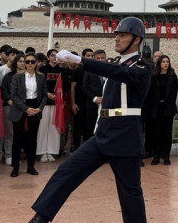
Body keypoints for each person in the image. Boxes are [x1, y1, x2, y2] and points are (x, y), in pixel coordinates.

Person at [30, 17, 151, 223]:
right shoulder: (117, 64)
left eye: (122, 35)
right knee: (67, 172)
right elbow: (110, 71)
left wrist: (81, 60)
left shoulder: (141, 67)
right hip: (103, 134)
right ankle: (41, 217)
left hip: (125, 138)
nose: (117, 38)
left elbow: (118, 72)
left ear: (137, 39)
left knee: (130, 193)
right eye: (116, 34)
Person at [8, 53, 47, 177]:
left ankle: (31, 166)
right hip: (20, 109)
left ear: (36, 63)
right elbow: (13, 95)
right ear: (24, 63)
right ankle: (15, 167)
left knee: (32, 139)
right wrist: (26, 109)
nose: (30, 64)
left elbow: (45, 95)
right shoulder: (17, 77)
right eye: (27, 61)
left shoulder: (41, 77)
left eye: (32, 61)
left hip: (35, 109)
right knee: (17, 139)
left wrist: (39, 109)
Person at [148, 55, 178, 165]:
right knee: (156, 133)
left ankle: (166, 156)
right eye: (163, 61)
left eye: (167, 62)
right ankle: (156, 156)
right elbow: (150, 93)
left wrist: (169, 103)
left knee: (167, 133)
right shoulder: (153, 76)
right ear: (159, 63)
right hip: (156, 108)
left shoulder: (172, 76)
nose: (166, 63)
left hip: (167, 109)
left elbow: (174, 93)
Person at [37, 49, 65, 162]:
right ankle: (42, 152)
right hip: (44, 102)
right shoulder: (42, 70)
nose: (54, 57)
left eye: (56, 55)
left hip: (57, 103)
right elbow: (40, 85)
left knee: (54, 128)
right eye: (52, 55)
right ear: (48, 57)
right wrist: (47, 94)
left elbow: (65, 86)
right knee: (43, 127)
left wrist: (58, 95)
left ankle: (51, 151)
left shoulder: (62, 71)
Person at [0, 54, 27, 166]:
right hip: (11, 107)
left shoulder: (30, 76)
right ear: (15, 63)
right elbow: (4, 90)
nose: (22, 63)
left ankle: (20, 154)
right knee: (10, 132)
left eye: (24, 61)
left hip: (26, 108)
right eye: (20, 61)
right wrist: (9, 100)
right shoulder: (8, 76)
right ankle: (9, 155)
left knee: (21, 132)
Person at [70, 48, 94, 151]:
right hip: (79, 102)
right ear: (83, 57)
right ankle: (76, 148)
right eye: (88, 55)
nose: (90, 57)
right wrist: (73, 103)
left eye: (92, 56)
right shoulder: (77, 70)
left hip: (89, 102)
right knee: (77, 128)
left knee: (88, 128)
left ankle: (86, 149)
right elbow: (72, 87)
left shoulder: (93, 69)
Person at [82, 49, 107, 140]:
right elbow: (84, 87)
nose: (100, 60)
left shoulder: (111, 70)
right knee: (89, 131)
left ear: (105, 58)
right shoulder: (88, 70)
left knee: (104, 130)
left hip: (106, 107)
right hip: (92, 106)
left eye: (102, 58)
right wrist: (94, 98)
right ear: (94, 59)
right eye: (98, 58)